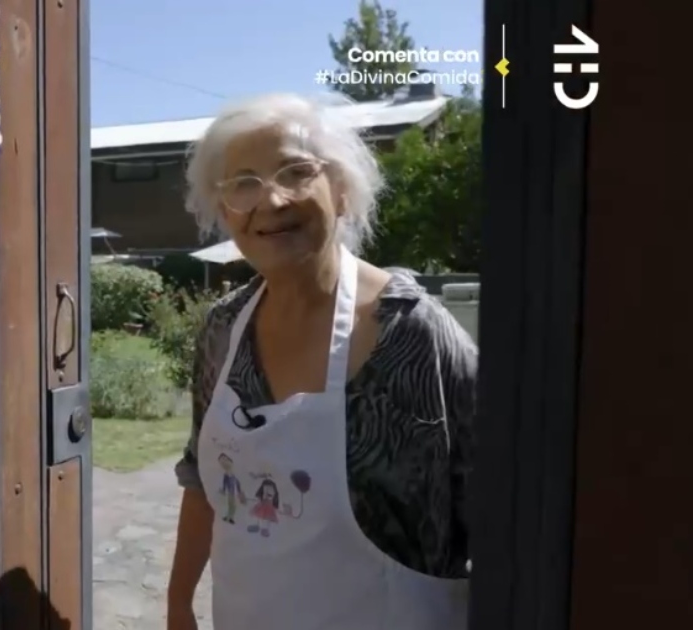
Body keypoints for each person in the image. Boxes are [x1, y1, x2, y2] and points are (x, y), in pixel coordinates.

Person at [166, 93, 477, 630]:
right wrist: (177, 604)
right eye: (244, 183)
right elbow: (203, 481)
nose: (273, 200)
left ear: (340, 190)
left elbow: (504, 506)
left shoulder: (411, 332)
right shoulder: (223, 329)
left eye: (296, 171)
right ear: (224, 212)